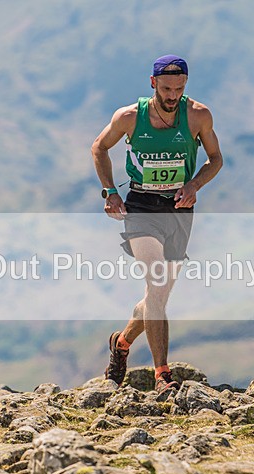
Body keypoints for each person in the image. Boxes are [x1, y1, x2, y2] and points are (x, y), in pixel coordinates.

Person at [91, 55, 223, 393]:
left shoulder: (197, 115)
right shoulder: (129, 118)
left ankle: (121, 343)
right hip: (141, 205)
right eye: (166, 89)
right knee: (157, 279)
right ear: (152, 83)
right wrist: (109, 192)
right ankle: (162, 374)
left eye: (179, 89)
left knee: (157, 296)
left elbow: (215, 159)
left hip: (179, 208)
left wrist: (194, 184)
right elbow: (99, 148)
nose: (172, 95)